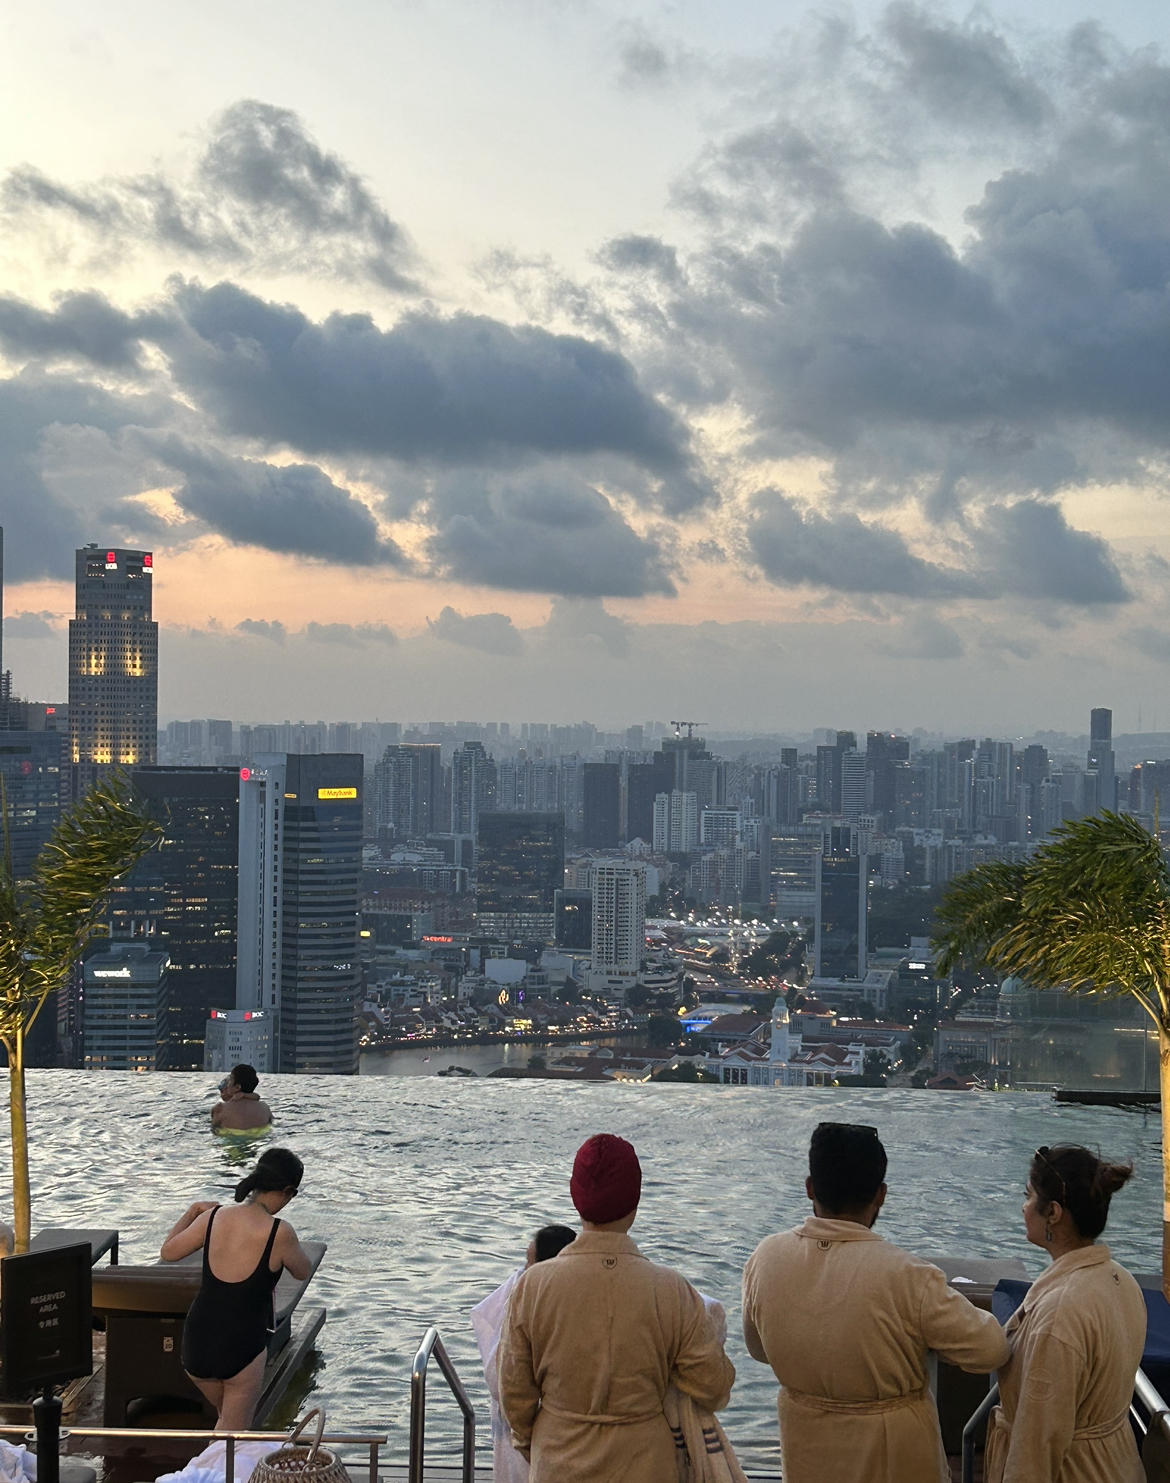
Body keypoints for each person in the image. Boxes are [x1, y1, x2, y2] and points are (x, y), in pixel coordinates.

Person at [742, 1121, 1010, 1483]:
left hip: (807, 1452)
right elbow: (990, 1350)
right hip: (895, 1459)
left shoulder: (765, 1258)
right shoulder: (906, 1275)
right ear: (881, 1194)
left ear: (809, 1188)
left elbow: (759, 1349)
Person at [499, 1133, 735, 1482]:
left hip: (557, 1460)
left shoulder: (532, 1287)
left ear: (576, 1197)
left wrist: (533, 1443)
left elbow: (514, 1394)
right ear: (634, 1202)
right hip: (645, 1464)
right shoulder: (670, 1289)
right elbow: (715, 1387)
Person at [984, 1144, 1145, 1483]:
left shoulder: (1059, 1313)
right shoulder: (1121, 1279)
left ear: (1053, 1212)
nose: (1022, 1208)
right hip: (1117, 1463)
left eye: (1028, 1197)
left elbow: (1037, 1446)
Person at [161, 1148, 313, 1429]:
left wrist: (193, 1211)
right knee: (231, 1442)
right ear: (288, 1190)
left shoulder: (213, 1217)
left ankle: (205, 1468)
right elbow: (302, 1270)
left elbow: (168, 1252)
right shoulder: (279, 1232)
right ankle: (197, 1473)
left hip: (197, 1344)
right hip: (241, 1346)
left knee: (225, 1423)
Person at [471, 1224, 578, 1483]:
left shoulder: (543, 1301)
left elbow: (504, 1383)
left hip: (539, 1433)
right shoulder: (521, 1293)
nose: (523, 1271)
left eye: (529, 1262)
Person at [211, 1064, 272, 1132]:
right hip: (258, 1138)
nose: (227, 1083)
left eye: (230, 1080)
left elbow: (214, 1129)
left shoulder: (220, 1109)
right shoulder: (265, 1107)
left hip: (231, 1138)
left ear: (237, 1087)